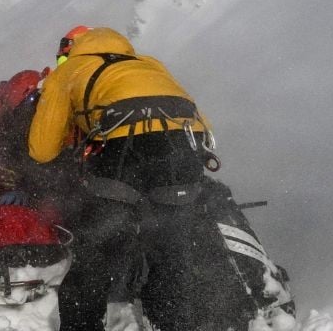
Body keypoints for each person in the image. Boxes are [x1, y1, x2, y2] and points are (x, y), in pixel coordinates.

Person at [28, 26, 294, 331]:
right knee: (169, 259)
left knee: (97, 257)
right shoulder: (149, 63)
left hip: (122, 152)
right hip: (181, 151)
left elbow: (41, 150)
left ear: (68, 52)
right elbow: (199, 120)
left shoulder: (69, 71)